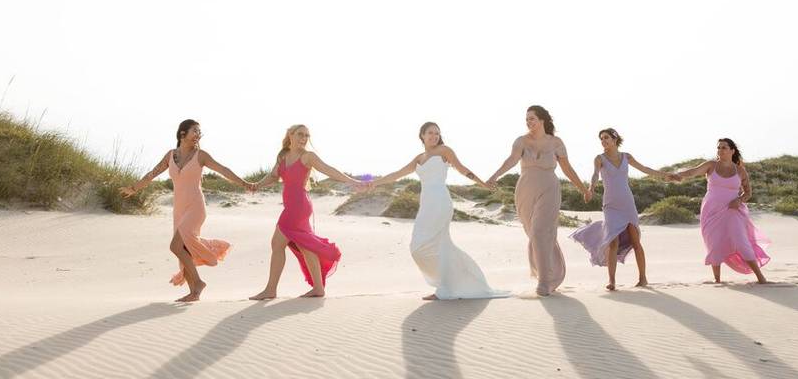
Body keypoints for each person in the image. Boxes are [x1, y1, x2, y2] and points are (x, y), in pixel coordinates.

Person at [371, 122, 506, 300]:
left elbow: (463, 169)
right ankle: (450, 284)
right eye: (430, 133)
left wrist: (483, 184)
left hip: (440, 202)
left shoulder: (444, 151)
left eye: (437, 133)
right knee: (418, 247)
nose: (434, 136)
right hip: (426, 203)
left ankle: (444, 288)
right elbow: (397, 174)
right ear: (422, 135)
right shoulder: (419, 158)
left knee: (437, 244)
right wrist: (372, 183)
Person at [120, 119, 250, 302]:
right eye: (194, 131)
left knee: (175, 246)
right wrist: (134, 188)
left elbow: (223, 170)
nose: (198, 135)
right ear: (182, 134)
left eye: (199, 132)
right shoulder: (170, 155)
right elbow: (152, 174)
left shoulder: (201, 155)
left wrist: (244, 183)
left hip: (196, 207)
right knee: (183, 250)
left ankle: (198, 282)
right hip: (179, 209)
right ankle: (194, 292)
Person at [248, 124, 365, 299]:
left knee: (277, 244)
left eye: (306, 136)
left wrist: (351, 181)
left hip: (298, 207)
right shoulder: (283, 156)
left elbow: (329, 170)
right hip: (292, 206)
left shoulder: (308, 157)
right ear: (290, 135)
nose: (303, 138)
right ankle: (318, 288)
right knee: (305, 245)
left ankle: (271, 289)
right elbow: (273, 176)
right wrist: (257, 185)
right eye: (300, 134)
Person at [486, 105, 591, 296]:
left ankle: (544, 282)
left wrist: (583, 189)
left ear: (542, 120)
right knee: (534, 234)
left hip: (549, 188)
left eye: (532, 118)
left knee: (540, 230)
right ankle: (549, 273)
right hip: (525, 190)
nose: (529, 122)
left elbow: (567, 168)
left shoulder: (556, 142)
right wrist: (495, 176)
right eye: (527, 119)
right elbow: (511, 160)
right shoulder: (521, 141)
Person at [569, 127, 676, 290]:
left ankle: (643, 278)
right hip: (611, 205)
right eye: (601, 139)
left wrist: (665, 175)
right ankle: (612, 281)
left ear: (615, 139)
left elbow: (645, 169)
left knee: (635, 241)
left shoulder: (627, 157)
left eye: (606, 138)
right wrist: (590, 189)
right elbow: (595, 175)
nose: (603, 141)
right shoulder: (599, 158)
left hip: (627, 203)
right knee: (613, 241)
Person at [672, 138, 770, 284]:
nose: (720, 150)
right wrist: (679, 175)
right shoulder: (711, 165)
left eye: (724, 147)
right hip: (711, 210)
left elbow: (748, 192)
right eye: (719, 148)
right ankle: (717, 280)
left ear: (732, 151)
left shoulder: (740, 170)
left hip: (733, 210)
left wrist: (739, 200)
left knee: (741, 241)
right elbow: (693, 172)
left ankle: (761, 278)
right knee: (714, 243)